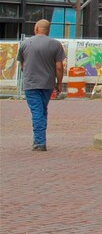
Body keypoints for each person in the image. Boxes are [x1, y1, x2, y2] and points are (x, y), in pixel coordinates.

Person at [17, 19, 66, 151]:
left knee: (37, 112)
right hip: (47, 83)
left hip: (31, 83)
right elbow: (59, 67)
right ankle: (39, 139)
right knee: (42, 110)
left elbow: (22, 65)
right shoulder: (56, 45)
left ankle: (39, 142)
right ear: (48, 30)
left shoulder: (25, 44)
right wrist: (59, 83)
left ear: (36, 28)